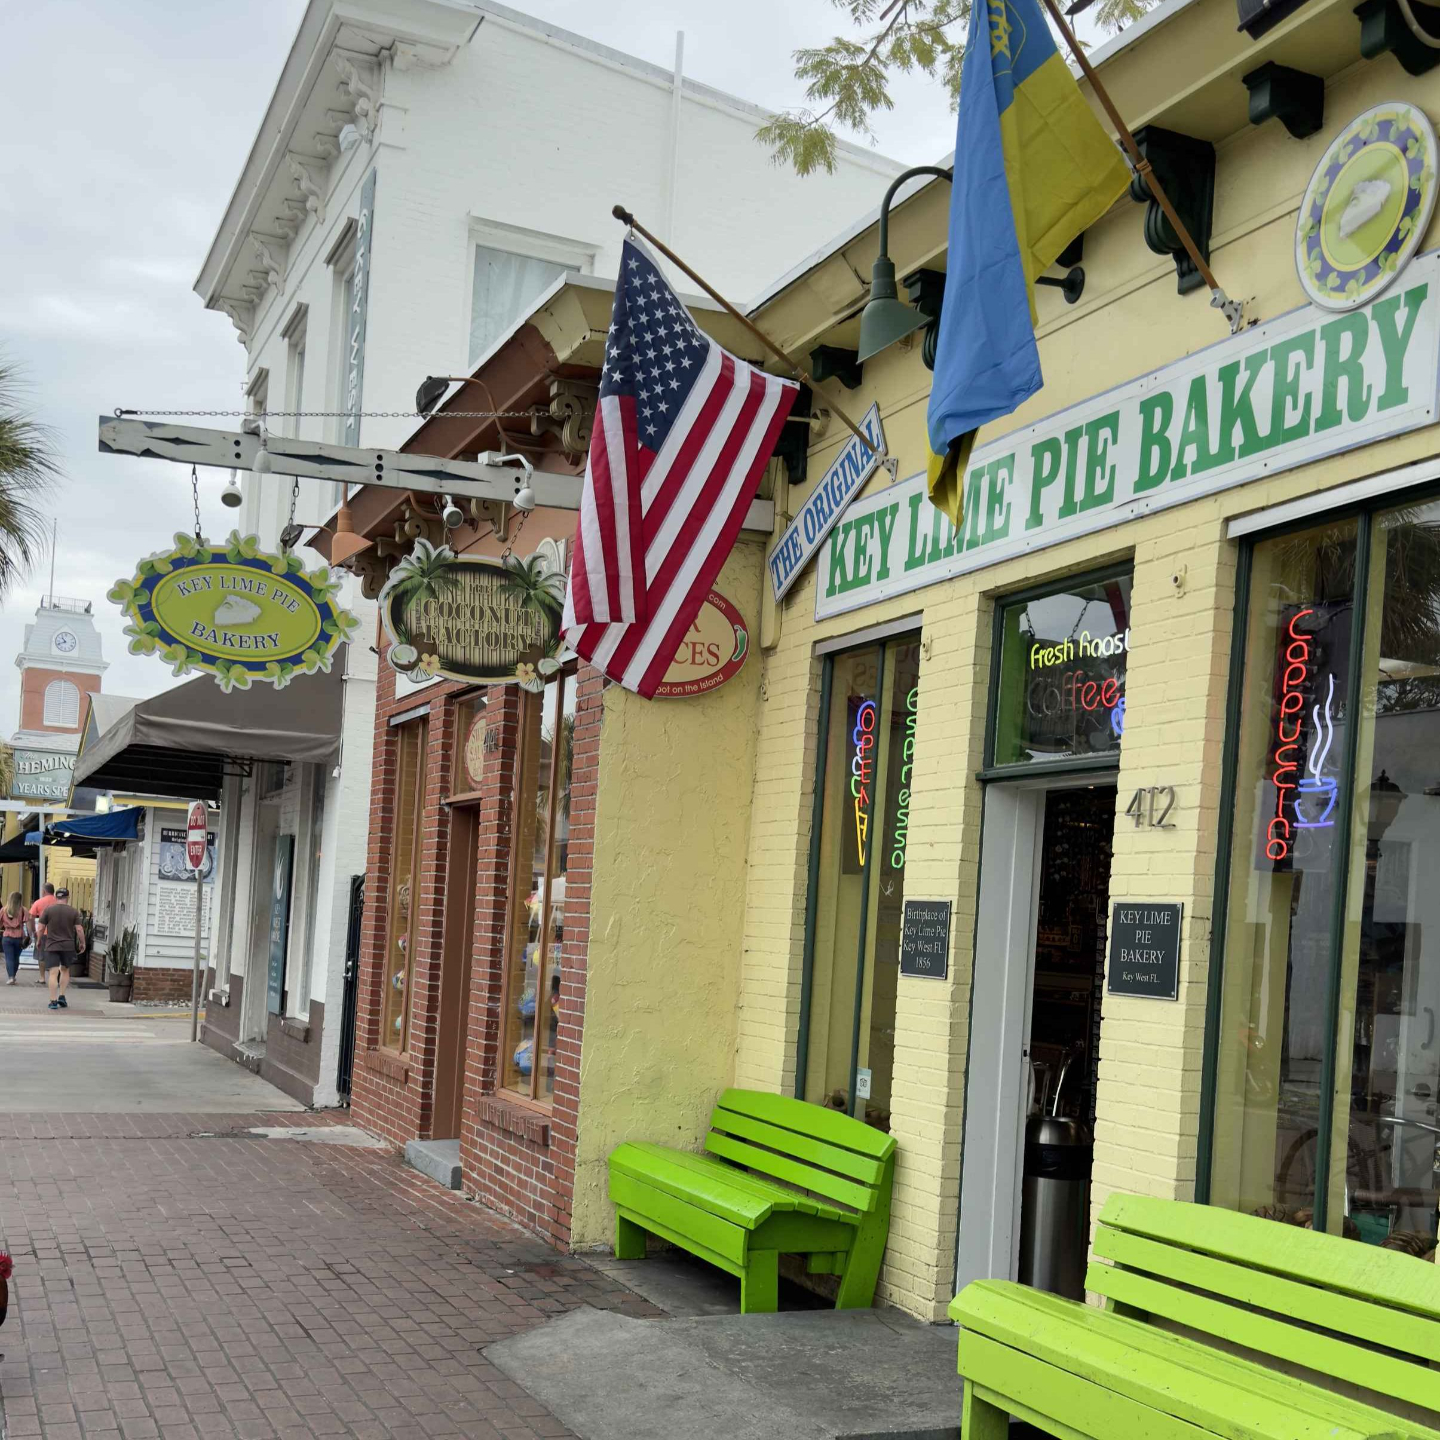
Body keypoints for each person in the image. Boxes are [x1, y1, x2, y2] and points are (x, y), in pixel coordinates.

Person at [39, 887, 83, 1012]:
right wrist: (82, 943)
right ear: (67, 897)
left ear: (56, 897)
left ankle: (53, 1001)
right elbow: (79, 929)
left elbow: (41, 927)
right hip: (68, 946)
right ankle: (62, 996)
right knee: (65, 970)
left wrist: (38, 940)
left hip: (52, 945)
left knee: (53, 973)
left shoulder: (48, 910)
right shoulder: (73, 911)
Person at [28, 883, 56, 985]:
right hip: (57, 934)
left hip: (43, 933)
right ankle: (54, 978)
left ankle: (42, 977)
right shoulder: (58, 902)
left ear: (44, 891)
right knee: (55, 955)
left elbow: (31, 917)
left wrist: (33, 931)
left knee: (42, 955)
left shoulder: (38, 902)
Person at [1, 892, 28, 984]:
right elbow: (28, 924)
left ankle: (11, 977)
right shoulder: (23, 910)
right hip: (19, 936)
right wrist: (30, 935)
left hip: (7, 936)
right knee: (16, 957)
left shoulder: (3, 910)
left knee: (9, 957)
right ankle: (13, 976)